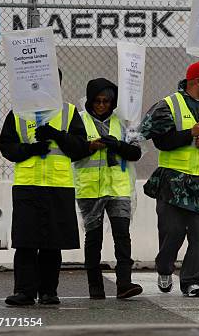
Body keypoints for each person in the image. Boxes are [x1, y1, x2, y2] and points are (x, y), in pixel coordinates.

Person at [140, 61, 199, 297]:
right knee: (172, 232)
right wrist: (189, 134)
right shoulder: (168, 105)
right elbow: (159, 139)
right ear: (197, 81)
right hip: (173, 182)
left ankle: (192, 281)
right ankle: (164, 268)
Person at [0, 69, 89, 306]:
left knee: (52, 242)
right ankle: (24, 291)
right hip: (27, 186)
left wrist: (56, 135)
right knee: (26, 241)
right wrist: (29, 150)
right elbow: (7, 147)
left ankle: (49, 291)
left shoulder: (68, 112)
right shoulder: (18, 113)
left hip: (58, 185)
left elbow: (79, 148)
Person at [74, 78, 143, 299]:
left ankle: (124, 284)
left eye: (106, 101)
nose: (102, 105)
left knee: (122, 236)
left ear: (113, 103)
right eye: (97, 101)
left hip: (119, 187)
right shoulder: (80, 122)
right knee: (93, 240)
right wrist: (90, 147)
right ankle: (95, 287)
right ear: (90, 102)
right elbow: (72, 152)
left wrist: (118, 145)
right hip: (90, 188)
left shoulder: (122, 122)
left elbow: (136, 153)